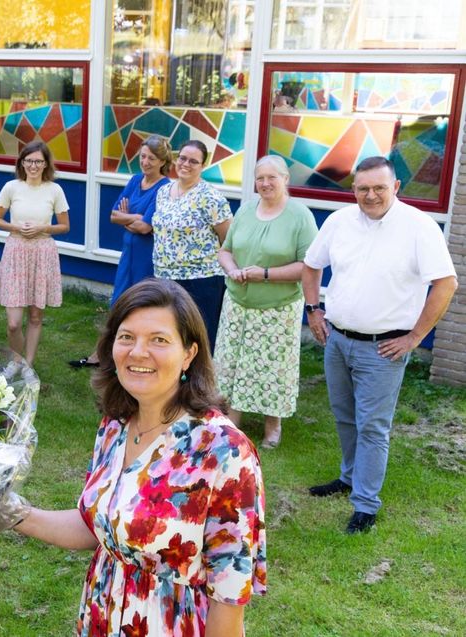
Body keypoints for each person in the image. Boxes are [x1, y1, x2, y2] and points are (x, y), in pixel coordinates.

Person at [13, 278, 267, 635]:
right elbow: (100, 527)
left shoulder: (223, 451)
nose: (138, 352)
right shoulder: (116, 426)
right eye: (127, 337)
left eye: (159, 340)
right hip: (101, 618)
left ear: (189, 353)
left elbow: (229, 597)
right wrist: (7, 512)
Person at [303, 156, 457, 534]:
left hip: (383, 349)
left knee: (373, 426)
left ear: (396, 187)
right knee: (343, 415)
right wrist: (313, 310)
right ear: (353, 188)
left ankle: (366, 505)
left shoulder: (419, 227)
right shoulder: (339, 222)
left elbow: (446, 283)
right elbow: (311, 265)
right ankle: (349, 477)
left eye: (379, 188)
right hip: (337, 339)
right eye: (362, 188)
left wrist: (416, 337)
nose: (370, 195)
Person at [215, 156, 318, 449]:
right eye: (260, 178)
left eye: (272, 177)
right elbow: (225, 250)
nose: (265, 184)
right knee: (231, 362)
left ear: (285, 179)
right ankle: (231, 419)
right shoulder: (246, 210)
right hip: (237, 302)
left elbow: (309, 265)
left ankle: (273, 424)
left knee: (272, 368)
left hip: (278, 307)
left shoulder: (300, 216)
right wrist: (232, 268)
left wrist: (266, 274)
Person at [69, 134, 172, 369]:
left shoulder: (165, 188)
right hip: (129, 255)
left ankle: (133, 357)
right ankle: (101, 354)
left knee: (142, 307)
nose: (145, 162)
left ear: (162, 161)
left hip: (147, 258)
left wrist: (132, 219)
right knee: (118, 304)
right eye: (143, 156)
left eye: (152, 158)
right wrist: (134, 218)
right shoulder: (135, 180)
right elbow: (114, 215)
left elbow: (146, 226)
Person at [0, 141, 70, 367]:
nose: (33, 166)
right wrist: (16, 228)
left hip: (42, 252)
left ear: (46, 164)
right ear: (22, 163)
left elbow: (65, 226)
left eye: (38, 161)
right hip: (16, 251)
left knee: (35, 317)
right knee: (14, 323)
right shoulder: (11, 187)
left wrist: (42, 228)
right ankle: (16, 360)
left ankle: (28, 365)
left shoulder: (55, 190)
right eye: (29, 161)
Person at [153, 140, 233, 352]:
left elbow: (229, 240)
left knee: (200, 338)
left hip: (201, 280)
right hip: (165, 277)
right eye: (182, 158)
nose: (186, 164)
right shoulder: (164, 191)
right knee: (169, 334)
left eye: (193, 161)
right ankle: (174, 380)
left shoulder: (211, 198)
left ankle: (201, 383)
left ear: (202, 166)